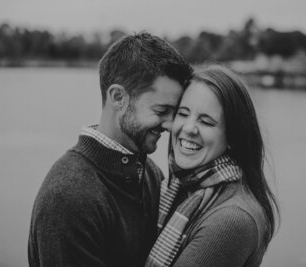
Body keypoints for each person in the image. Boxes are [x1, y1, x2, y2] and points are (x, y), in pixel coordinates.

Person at [28, 32, 192, 267]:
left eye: (174, 113)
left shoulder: (150, 174)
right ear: (118, 97)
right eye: (161, 111)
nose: (170, 125)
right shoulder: (69, 197)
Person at [145, 64, 279, 267]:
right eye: (183, 113)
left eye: (206, 122)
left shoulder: (231, 220)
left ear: (233, 136)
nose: (188, 128)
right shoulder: (178, 187)